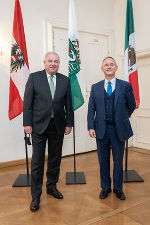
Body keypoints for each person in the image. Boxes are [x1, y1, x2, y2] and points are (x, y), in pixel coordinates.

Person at [23, 52, 74, 212]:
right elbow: (28, 103)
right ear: (44, 62)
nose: (53, 64)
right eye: (50, 61)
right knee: (37, 162)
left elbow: (69, 104)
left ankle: (51, 186)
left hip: (58, 126)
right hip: (38, 126)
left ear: (59, 64)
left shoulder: (65, 80)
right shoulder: (34, 78)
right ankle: (36, 195)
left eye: (56, 61)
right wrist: (27, 123)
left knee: (55, 159)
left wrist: (69, 123)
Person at [87, 57, 136, 200]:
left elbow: (132, 105)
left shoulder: (125, 86)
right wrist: (91, 126)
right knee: (103, 160)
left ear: (115, 68)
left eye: (111, 65)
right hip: (101, 129)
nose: (109, 67)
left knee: (118, 161)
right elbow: (91, 110)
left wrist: (122, 117)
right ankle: (105, 187)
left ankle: (118, 188)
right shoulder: (95, 87)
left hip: (118, 130)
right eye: (106, 65)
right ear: (102, 68)